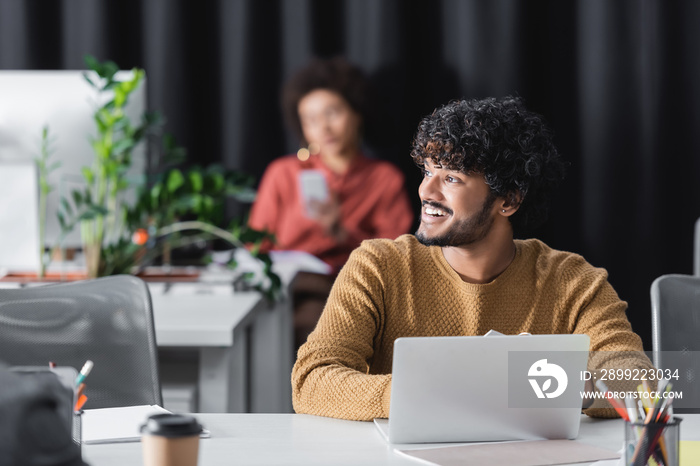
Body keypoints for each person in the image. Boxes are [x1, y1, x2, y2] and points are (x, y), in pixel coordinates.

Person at [291, 96, 652, 421]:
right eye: (428, 172)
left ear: (508, 200)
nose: (425, 191)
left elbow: (638, 380)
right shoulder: (379, 266)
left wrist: (539, 386)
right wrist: (425, 393)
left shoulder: (573, 280)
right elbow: (313, 378)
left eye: (451, 178)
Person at [249, 57, 413, 349]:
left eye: (332, 113)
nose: (323, 127)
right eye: (310, 120)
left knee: (321, 320)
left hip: (348, 285)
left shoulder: (383, 178)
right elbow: (255, 244)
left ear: (357, 112)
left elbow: (394, 257)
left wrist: (341, 232)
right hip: (285, 285)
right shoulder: (283, 173)